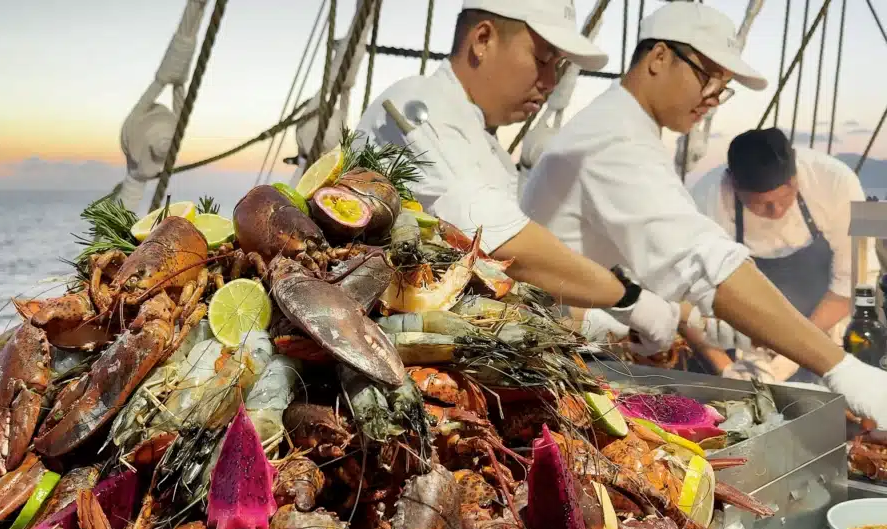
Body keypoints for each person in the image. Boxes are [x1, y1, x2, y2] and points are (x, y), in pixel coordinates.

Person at [520, 1, 887, 426]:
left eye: (723, 88)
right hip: (547, 345)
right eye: (708, 79)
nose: (713, 100)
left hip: (816, 321)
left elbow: (857, 279)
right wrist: (831, 368)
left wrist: (820, 357)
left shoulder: (843, 181)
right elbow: (702, 267)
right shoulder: (631, 148)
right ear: (658, 57)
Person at [354, 0, 683, 355]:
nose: (551, 82)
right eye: (543, 59)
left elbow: (499, 280)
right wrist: (630, 300)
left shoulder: (487, 147)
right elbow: (502, 245)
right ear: (482, 39)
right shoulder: (419, 105)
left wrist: (599, 326)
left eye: (557, 66)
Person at [689, 128, 870, 383]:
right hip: (744, 329)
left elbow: (855, 280)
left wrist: (794, 352)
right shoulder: (703, 197)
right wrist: (726, 370)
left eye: (786, 198)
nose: (775, 211)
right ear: (733, 184)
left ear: (796, 175)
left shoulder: (842, 180)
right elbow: (691, 297)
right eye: (760, 204)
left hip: (823, 319)